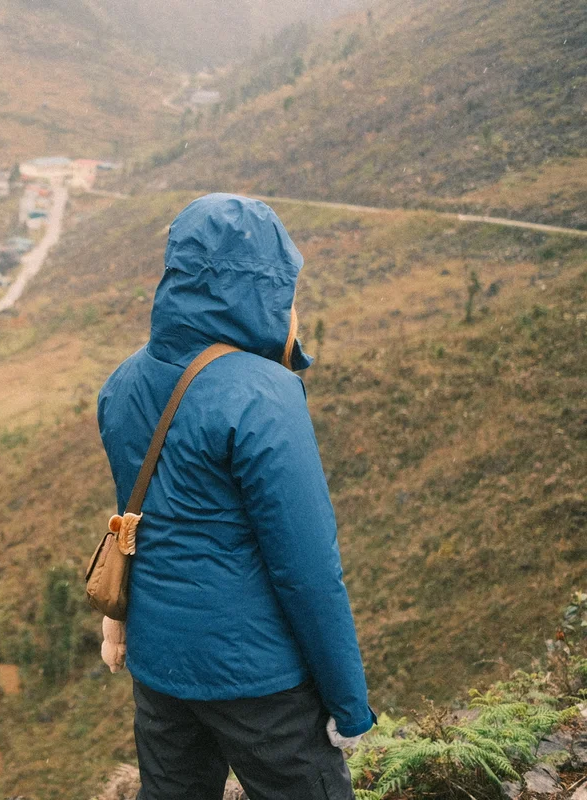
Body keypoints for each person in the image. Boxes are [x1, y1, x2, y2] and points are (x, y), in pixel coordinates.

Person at [96, 194, 374, 800]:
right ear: (262, 286)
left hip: (161, 673)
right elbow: (307, 569)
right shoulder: (264, 395)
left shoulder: (121, 383)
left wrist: (118, 623)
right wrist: (348, 706)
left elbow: (135, 525)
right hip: (258, 680)